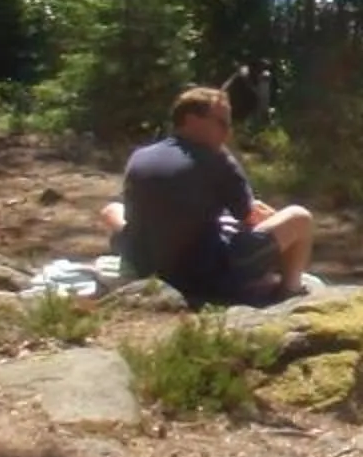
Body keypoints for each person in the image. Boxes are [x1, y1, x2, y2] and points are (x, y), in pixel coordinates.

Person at [102, 85, 314, 306]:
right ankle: (290, 291)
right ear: (192, 120)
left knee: (113, 210)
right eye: (222, 123)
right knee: (300, 218)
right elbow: (250, 218)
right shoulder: (216, 159)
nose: (227, 132)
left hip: (145, 265)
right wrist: (269, 216)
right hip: (205, 276)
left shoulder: (140, 156)